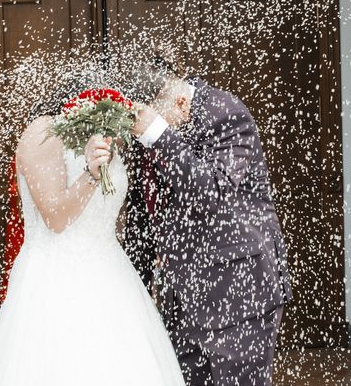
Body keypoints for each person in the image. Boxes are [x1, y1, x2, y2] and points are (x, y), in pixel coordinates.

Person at [0, 86, 184, 386]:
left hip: (112, 277)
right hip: (54, 278)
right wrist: (91, 175)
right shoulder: (42, 132)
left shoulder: (105, 136)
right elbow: (55, 218)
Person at [123, 57, 292, 386]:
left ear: (181, 100)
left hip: (239, 290)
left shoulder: (226, 114)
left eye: (158, 122)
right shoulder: (158, 128)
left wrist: (159, 134)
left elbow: (214, 190)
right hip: (184, 295)